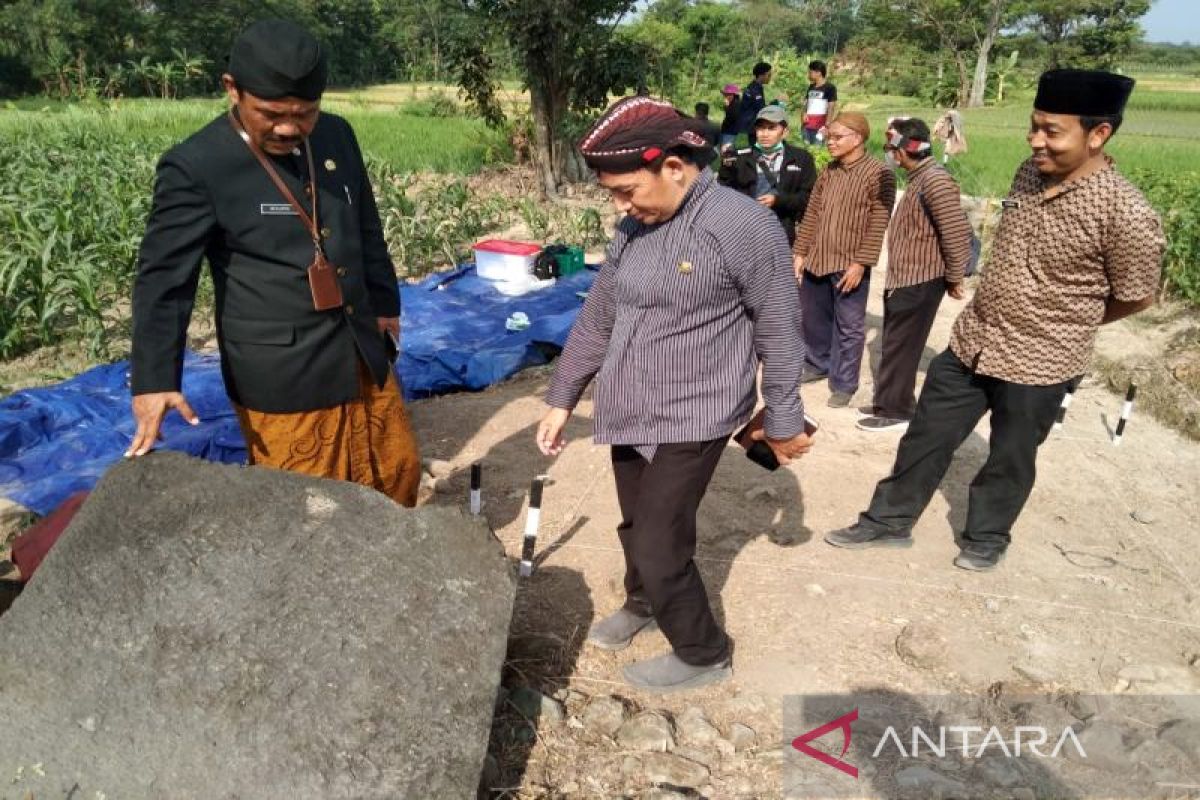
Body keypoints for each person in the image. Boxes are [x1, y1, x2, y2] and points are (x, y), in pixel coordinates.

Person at [825, 69, 1165, 571]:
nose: (1036, 141)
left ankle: (986, 536)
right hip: (974, 340)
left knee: (1011, 456)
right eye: (1034, 127)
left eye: (1052, 131)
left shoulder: (1126, 213)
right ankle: (887, 520)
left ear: (1099, 135)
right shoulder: (1028, 174)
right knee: (925, 433)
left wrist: (1069, 319)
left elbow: (1137, 296)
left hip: (1042, 358)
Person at [536, 96, 813, 692]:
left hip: (697, 409)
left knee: (661, 541)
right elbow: (601, 315)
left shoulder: (742, 226)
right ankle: (643, 605)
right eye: (613, 193)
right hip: (629, 402)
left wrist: (785, 414)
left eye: (628, 189)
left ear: (676, 167)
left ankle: (702, 651)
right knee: (637, 522)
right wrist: (563, 397)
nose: (621, 205)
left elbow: (779, 325)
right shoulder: (635, 227)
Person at [127, 19, 421, 506]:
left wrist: (386, 304)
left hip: (359, 349)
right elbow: (163, 281)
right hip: (283, 371)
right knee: (310, 506)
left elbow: (364, 224)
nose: (290, 128)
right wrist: (156, 380)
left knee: (395, 471)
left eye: (305, 113)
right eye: (271, 113)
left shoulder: (336, 137)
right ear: (232, 90)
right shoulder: (197, 165)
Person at [858, 117, 973, 432]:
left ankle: (896, 410)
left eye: (892, 149)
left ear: (902, 152)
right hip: (906, 277)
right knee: (895, 343)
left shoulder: (935, 180)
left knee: (902, 347)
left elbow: (954, 233)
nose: (891, 156)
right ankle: (889, 402)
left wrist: (954, 277)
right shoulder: (920, 177)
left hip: (920, 280)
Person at [793, 112, 896, 408]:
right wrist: (800, 252)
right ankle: (816, 364)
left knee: (849, 326)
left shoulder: (878, 174)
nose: (831, 142)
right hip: (818, 257)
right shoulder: (829, 171)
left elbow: (879, 220)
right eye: (830, 137)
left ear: (858, 138)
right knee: (813, 319)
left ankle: (844, 382)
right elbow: (812, 213)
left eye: (837, 137)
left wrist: (861, 262)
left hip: (849, 262)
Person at [718, 104, 817, 246]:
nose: (765, 134)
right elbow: (723, 192)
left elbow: (808, 198)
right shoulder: (739, 156)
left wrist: (778, 200)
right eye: (761, 128)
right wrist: (726, 167)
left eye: (771, 128)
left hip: (782, 233)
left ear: (785, 132)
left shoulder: (801, 158)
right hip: (744, 233)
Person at [801, 60, 838, 145]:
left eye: (810, 72)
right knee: (806, 149)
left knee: (817, 150)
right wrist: (803, 113)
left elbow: (831, 107)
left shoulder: (830, 88)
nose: (808, 75)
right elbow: (806, 103)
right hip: (807, 125)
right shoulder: (811, 87)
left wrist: (827, 125)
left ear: (819, 73)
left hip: (820, 127)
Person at [737, 62, 773, 144]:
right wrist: (774, 105)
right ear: (761, 75)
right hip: (751, 127)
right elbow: (761, 109)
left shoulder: (755, 87)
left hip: (750, 126)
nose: (770, 78)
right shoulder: (754, 89)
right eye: (768, 75)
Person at [718, 84, 742, 151]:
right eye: (724, 94)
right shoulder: (732, 103)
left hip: (730, 132)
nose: (725, 96)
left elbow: (732, 117)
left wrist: (727, 107)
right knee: (724, 151)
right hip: (727, 131)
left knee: (727, 153)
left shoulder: (736, 104)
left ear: (733, 95)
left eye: (727, 94)